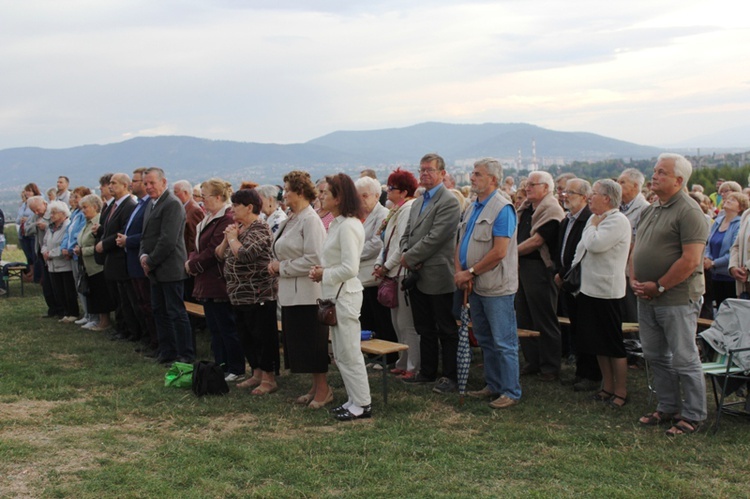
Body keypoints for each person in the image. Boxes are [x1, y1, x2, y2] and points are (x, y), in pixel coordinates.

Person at [631, 153, 710, 436]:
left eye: (662, 172)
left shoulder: (689, 212)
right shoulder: (651, 209)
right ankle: (667, 406)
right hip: (646, 295)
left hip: (675, 297)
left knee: (684, 356)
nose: (654, 176)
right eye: (654, 171)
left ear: (679, 180)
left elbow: (690, 260)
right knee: (654, 354)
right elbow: (636, 248)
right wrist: (634, 277)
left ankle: (693, 414)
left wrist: (660, 285)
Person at [455, 158, 521, 409]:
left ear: (492, 179)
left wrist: (469, 272)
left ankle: (510, 390)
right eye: (472, 173)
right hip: (473, 284)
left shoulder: (502, 208)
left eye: (478, 174)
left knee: (504, 340)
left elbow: (499, 251)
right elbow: (460, 242)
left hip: (496, 286)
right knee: (484, 337)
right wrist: (459, 271)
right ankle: (493, 384)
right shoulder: (473, 207)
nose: (472, 178)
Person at [309, 173, 370, 421]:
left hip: (345, 295)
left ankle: (363, 403)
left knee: (350, 351)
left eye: (325, 192)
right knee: (341, 353)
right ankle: (353, 399)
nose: (321, 196)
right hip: (335, 294)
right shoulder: (336, 223)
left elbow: (350, 268)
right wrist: (322, 272)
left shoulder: (348, 226)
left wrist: (324, 273)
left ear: (339, 196)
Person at [399, 153, 461, 393]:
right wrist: (406, 253)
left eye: (429, 170)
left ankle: (450, 376)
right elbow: (407, 234)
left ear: (442, 174)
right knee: (424, 327)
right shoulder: (417, 202)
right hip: (416, 273)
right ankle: (427, 371)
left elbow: (437, 237)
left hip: (437, 273)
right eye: (421, 170)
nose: (424, 174)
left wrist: (410, 257)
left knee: (445, 327)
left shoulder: (448, 201)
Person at [268, 171, 330, 408]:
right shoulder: (292, 218)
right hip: (291, 292)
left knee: (312, 343)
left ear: (300, 192)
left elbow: (314, 258)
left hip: (307, 293)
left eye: (287, 189)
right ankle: (315, 388)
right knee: (302, 344)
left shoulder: (311, 220)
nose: (284, 194)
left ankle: (324, 390)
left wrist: (281, 267)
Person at [574, 180, 631, 408]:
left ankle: (621, 390)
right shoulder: (596, 218)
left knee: (613, 343)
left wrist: (591, 227)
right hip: (589, 289)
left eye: (594, 193)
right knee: (598, 342)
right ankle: (606, 386)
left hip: (608, 292)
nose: (590, 197)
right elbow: (582, 248)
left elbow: (595, 244)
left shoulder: (617, 220)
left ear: (607, 198)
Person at [217, 188, 279, 395]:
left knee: (262, 337)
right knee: (247, 336)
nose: (232, 209)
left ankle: (269, 378)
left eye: (236, 205)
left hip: (258, 294)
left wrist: (234, 239)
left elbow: (245, 255)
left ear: (250, 207)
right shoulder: (240, 228)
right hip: (239, 295)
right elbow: (220, 254)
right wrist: (228, 238)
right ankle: (256, 373)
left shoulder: (260, 228)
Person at [186, 178, 244, 381]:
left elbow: (213, 250)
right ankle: (221, 364)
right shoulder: (208, 218)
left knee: (226, 326)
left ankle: (235, 366)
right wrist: (191, 260)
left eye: (205, 196)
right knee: (215, 327)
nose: (202, 201)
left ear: (218, 197)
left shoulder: (226, 218)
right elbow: (197, 246)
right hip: (206, 280)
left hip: (219, 280)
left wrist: (193, 265)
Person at [140, 167, 194, 365]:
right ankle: (167, 351)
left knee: (175, 313)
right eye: (146, 183)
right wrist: (143, 256)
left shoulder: (171, 204)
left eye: (152, 183)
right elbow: (146, 236)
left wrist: (150, 261)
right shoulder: (151, 204)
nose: (148, 187)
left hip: (170, 268)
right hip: (154, 268)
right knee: (159, 311)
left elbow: (168, 240)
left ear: (164, 182)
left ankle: (185, 354)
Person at [516, 171, 565, 381]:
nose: (527, 188)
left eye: (532, 184)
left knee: (544, 317)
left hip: (540, 269)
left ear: (546, 188)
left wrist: (509, 253)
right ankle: (532, 361)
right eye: (527, 184)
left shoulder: (552, 210)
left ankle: (550, 366)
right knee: (524, 316)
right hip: (521, 266)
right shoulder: (526, 208)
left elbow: (537, 241)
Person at [373, 168, 421, 379]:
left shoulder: (407, 209)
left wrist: (385, 266)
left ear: (403, 192)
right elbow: (386, 242)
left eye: (391, 188)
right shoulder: (395, 210)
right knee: (397, 322)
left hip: (400, 271)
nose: (388, 191)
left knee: (406, 323)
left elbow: (401, 245)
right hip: (392, 270)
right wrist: (379, 263)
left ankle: (413, 365)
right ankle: (403, 360)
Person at [554, 178, 600, 392]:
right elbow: (560, 248)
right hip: (566, 281)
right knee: (575, 327)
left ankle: (590, 374)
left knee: (586, 329)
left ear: (584, 197)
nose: (564, 195)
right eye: (563, 191)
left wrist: (564, 273)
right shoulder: (567, 220)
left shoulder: (590, 220)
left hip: (581, 282)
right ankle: (580, 372)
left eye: (569, 192)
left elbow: (580, 253)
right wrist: (557, 270)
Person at [116, 167, 159, 353]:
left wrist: (128, 240)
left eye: (136, 181)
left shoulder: (148, 204)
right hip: (133, 260)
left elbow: (148, 234)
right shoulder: (140, 205)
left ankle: (155, 341)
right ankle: (148, 338)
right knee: (140, 304)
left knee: (148, 304)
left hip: (141, 260)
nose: (133, 184)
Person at [355, 176, 398, 361]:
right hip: (361, 276)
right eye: (359, 196)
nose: (361, 200)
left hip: (374, 274)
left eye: (365, 195)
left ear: (376, 195)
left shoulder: (382, 214)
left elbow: (376, 243)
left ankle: (387, 356)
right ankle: (372, 354)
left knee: (381, 318)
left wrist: (353, 253)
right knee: (367, 317)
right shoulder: (361, 216)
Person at [96, 173, 138, 341]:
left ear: (124, 186)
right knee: (118, 296)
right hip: (112, 259)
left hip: (121, 258)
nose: (110, 186)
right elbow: (109, 228)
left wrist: (105, 244)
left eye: (114, 183)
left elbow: (122, 231)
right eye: (110, 183)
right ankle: (122, 327)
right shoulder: (113, 205)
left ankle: (129, 329)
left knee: (125, 299)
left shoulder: (128, 205)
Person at [75, 195, 114, 331]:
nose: (83, 211)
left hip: (97, 265)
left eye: (85, 207)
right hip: (88, 265)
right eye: (82, 208)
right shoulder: (86, 222)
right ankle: (96, 319)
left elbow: (98, 245)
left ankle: (105, 321)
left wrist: (82, 251)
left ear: (95, 207)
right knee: (95, 294)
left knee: (101, 294)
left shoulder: (98, 222)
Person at [617, 168, 650, 322]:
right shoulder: (617, 208)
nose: (618, 185)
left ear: (636, 186)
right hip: (615, 270)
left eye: (622, 182)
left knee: (631, 316)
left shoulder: (644, 209)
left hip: (630, 271)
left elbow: (638, 242)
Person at [704, 192, 747, 309]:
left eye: (733, 200)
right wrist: (707, 258)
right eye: (728, 199)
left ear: (740, 207)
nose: (727, 200)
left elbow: (734, 249)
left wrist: (713, 263)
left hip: (728, 275)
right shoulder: (718, 221)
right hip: (714, 274)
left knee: (728, 309)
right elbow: (709, 242)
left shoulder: (739, 224)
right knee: (717, 308)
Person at [26, 195, 64, 317]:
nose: (37, 212)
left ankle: (61, 308)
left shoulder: (52, 211)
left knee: (55, 283)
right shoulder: (35, 216)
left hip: (53, 252)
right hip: (41, 251)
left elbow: (59, 226)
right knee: (46, 283)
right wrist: (36, 225)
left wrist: (46, 226)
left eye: (38, 209)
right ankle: (52, 308)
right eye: (33, 211)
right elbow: (26, 230)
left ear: (44, 203)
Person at [41, 201, 79, 322]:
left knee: (68, 290)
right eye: (51, 213)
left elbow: (65, 244)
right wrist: (44, 251)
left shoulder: (67, 225)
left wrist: (51, 254)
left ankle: (72, 312)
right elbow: (45, 242)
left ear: (62, 213)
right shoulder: (51, 227)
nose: (51, 215)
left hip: (64, 263)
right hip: (52, 264)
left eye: (54, 213)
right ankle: (63, 312)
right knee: (58, 290)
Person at [60, 186, 92, 326]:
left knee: (83, 283)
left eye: (76, 197)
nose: (73, 199)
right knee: (77, 282)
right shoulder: (74, 214)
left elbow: (78, 234)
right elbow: (67, 232)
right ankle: (86, 313)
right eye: (72, 197)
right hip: (71, 253)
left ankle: (90, 314)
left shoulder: (83, 215)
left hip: (78, 253)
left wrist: (72, 248)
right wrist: (64, 248)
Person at [729, 196, 750, 299]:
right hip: (745, 284)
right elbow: (736, 245)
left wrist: (748, 268)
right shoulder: (747, 214)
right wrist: (733, 267)